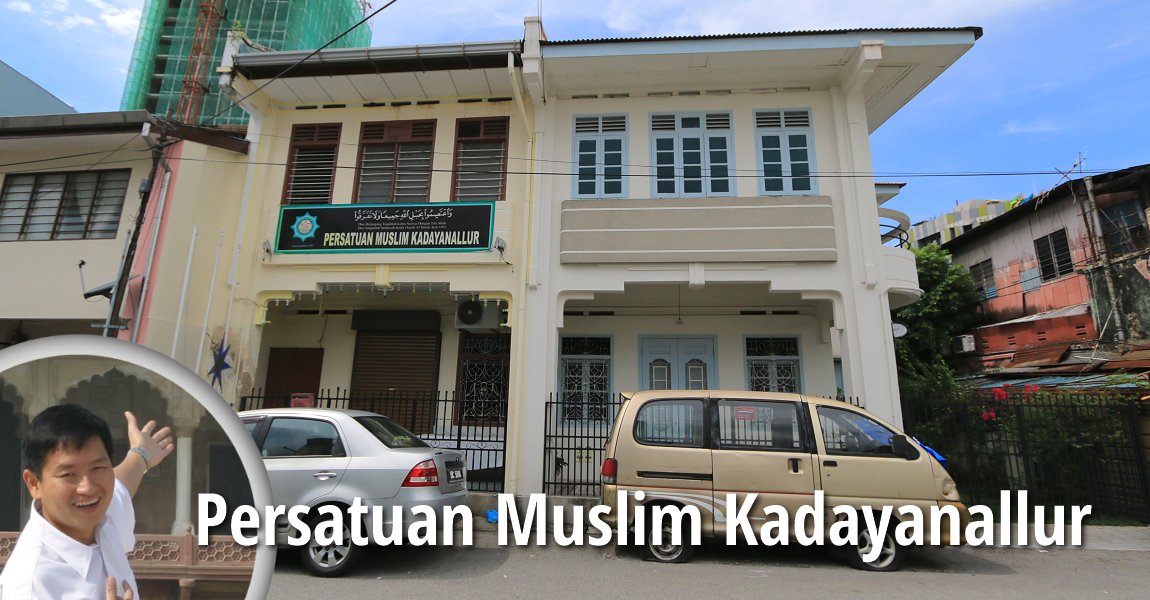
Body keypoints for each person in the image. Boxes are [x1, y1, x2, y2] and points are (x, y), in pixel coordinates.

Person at [0, 404, 174, 600]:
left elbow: (121, 483)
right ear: (34, 483)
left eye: (98, 468)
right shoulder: (31, 586)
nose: (88, 488)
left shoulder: (101, 517)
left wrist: (141, 454)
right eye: (68, 474)